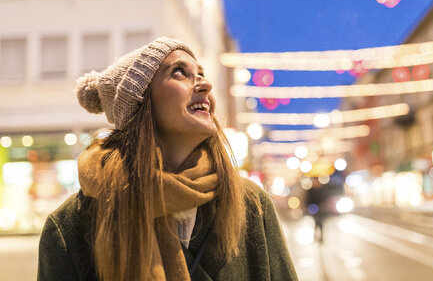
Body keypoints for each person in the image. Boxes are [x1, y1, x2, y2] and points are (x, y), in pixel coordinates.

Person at [37, 37, 298, 281]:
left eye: (201, 74)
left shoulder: (250, 203)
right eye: (179, 72)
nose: (205, 84)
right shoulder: (69, 225)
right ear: (140, 102)